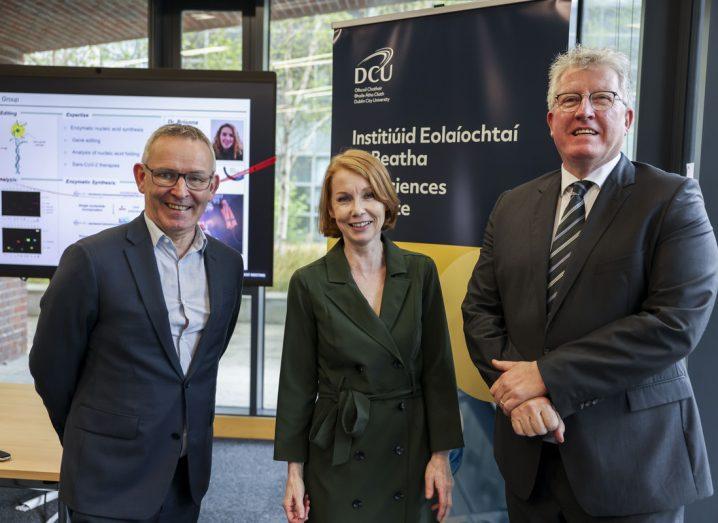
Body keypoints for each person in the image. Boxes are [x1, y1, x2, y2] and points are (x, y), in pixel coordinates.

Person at [462, 45, 718, 522]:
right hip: (530, 459)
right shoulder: (512, 205)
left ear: (628, 116)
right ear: (550, 119)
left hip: (632, 467)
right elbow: (480, 311)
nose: (584, 111)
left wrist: (547, 377)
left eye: (602, 97)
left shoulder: (672, 200)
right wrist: (518, 393)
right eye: (569, 99)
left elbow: (673, 323)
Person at [29, 124, 244, 522]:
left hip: (185, 478)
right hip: (106, 480)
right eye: (166, 174)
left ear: (213, 185)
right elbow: (50, 368)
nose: (181, 191)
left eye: (195, 178)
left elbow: (201, 367)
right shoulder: (90, 260)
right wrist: (89, 441)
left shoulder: (229, 266)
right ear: (141, 177)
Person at [274, 149, 464, 523]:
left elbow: (438, 373)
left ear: (386, 201)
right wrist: (293, 473)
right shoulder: (308, 283)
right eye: (344, 198)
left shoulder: (420, 273)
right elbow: (296, 386)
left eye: (369, 195)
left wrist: (440, 458)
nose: (358, 210)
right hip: (339, 452)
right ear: (330, 210)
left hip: (407, 448)